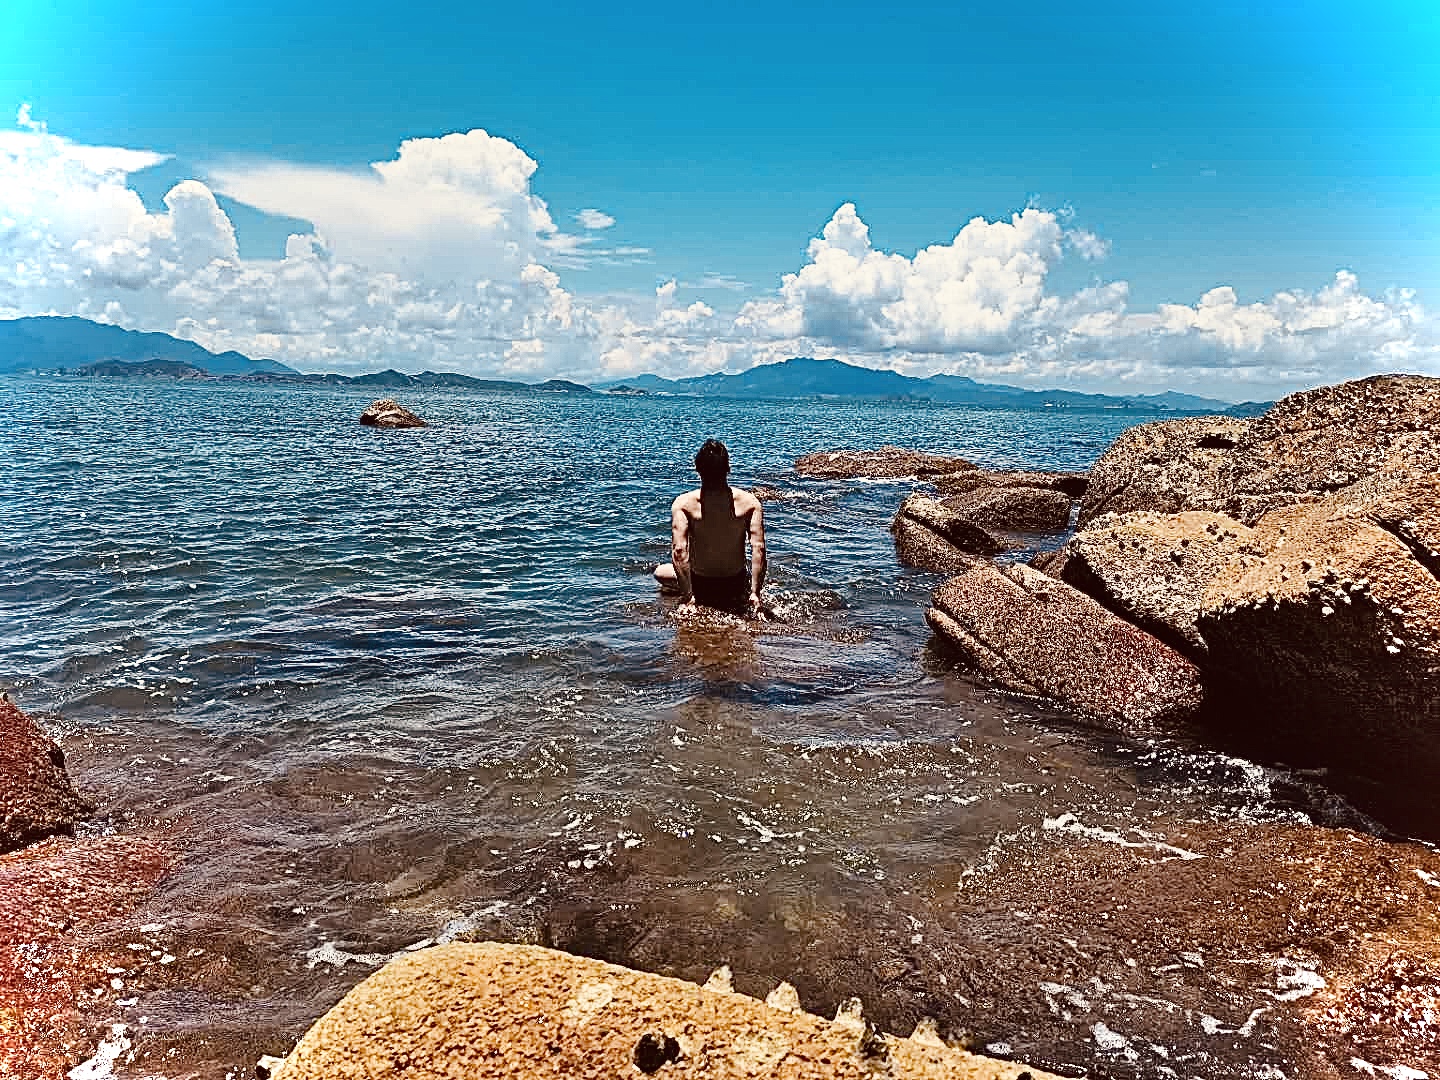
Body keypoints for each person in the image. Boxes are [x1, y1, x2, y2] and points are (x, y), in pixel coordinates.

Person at [661, 439, 766, 617]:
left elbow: (679, 551)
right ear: (728, 469)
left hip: (701, 585)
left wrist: (689, 597)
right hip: (735, 583)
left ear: (698, 469)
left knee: (659, 572)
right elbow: (759, 549)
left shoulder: (684, 504)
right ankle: (747, 588)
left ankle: (689, 594)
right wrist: (755, 593)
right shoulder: (750, 503)